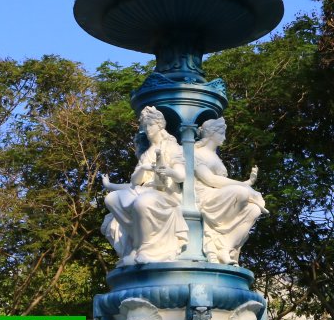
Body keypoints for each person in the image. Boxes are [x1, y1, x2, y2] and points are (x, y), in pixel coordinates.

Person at [102, 106, 188, 265]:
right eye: (145, 126)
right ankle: (138, 241)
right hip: (145, 190)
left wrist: (166, 170)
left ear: (160, 125)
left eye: (150, 125)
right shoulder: (148, 153)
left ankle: (147, 249)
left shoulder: (172, 147)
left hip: (166, 193)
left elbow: (181, 175)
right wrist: (141, 169)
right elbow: (134, 182)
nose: (147, 129)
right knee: (111, 199)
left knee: (143, 202)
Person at [194, 118, 266, 265]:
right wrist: (244, 186)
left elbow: (224, 184)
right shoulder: (195, 153)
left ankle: (225, 247)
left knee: (254, 210)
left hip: (218, 194)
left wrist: (248, 183)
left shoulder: (215, 156)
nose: (225, 137)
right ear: (212, 134)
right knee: (242, 193)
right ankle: (215, 240)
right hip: (203, 194)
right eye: (222, 133)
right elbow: (210, 180)